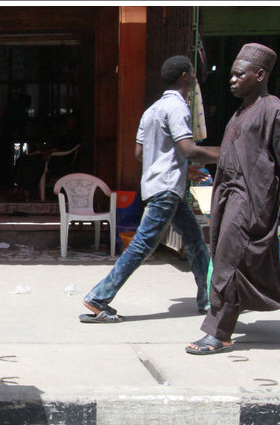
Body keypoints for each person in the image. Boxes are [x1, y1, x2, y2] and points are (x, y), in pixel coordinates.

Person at [186, 43, 280, 355]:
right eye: (232, 75)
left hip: (251, 203)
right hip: (228, 198)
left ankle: (219, 332)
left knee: (227, 265)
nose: (232, 80)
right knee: (257, 269)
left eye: (239, 75)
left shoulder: (276, 112)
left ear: (260, 74)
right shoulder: (240, 114)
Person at [81, 55, 219, 323]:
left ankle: (209, 299)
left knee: (194, 242)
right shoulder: (178, 108)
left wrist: (181, 168)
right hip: (168, 188)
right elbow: (189, 149)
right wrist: (228, 153)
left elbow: (140, 153)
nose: (194, 77)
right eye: (192, 73)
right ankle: (99, 297)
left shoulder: (151, 111)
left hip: (162, 186)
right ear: (184, 76)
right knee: (142, 245)